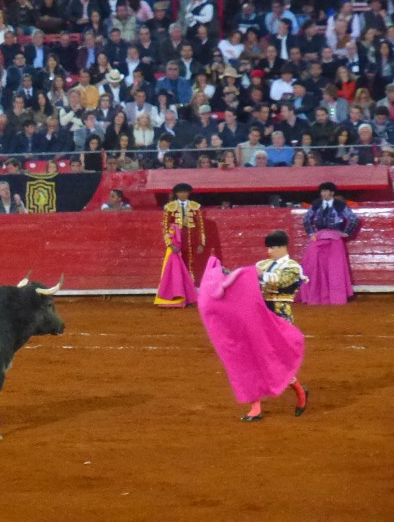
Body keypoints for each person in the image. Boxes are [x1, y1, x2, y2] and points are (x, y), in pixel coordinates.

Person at [197, 236, 308, 424]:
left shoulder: (293, 267)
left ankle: (299, 390)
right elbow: (246, 284)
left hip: (280, 317)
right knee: (249, 357)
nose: (269, 252)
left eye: (272, 247)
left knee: (276, 360)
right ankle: (255, 408)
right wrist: (227, 275)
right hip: (255, 316)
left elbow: (280, 282)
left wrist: (257, 274)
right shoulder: (262, 264)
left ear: (282, 247)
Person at [299, 182, 359, 305]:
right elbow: (306, 219)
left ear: (332, 193)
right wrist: (312, 233)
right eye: (322, 191)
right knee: (312, 265)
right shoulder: (316, 204)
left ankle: (336, 296)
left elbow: (353, 219)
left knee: (334, 268)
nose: (324, 194)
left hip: (334, 238)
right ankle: (315, 294)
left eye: (326, 191)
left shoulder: (340, 205)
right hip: (319, 237)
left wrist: (346, 233)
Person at [161, 183, 205, 280]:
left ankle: (190, 284)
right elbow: (165, 227)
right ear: (176, 193)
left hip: (191, 238)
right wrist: (170, 243)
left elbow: (200, 226)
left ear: (188, 193)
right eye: (180, 192)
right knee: (176, 262)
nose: (183, 194)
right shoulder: (169, 207)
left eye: (185, 192)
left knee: (191, 261)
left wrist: (201, 243)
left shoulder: (195, 207)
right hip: (176, 239)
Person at [154, 219, 197, 308]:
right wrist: (171, 245)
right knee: (173, 274)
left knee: (176, 274)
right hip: (173, 252)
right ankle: (170, 301)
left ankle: (182, 300)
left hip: (177, 252)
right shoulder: (173, 226)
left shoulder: (180, 228)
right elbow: (166, 234)